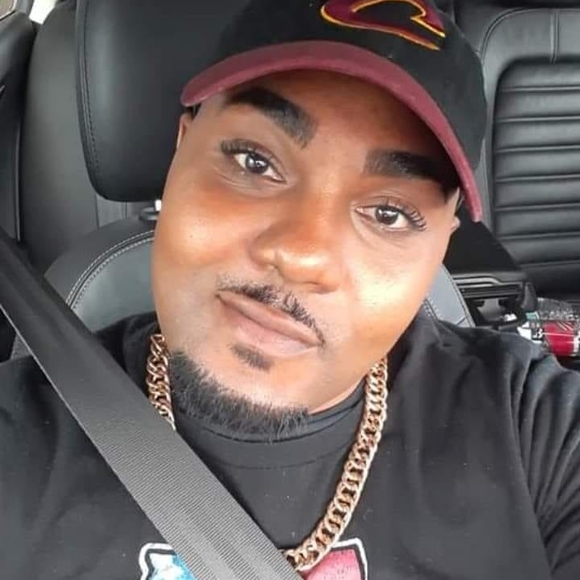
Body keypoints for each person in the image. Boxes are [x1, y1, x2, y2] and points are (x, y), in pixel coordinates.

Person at [2, 0, 580, 578]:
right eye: (254, 162)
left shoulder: (534, 428)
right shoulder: (18, 440)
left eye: (388, 213)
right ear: (182, 147)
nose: (303, 254)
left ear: (442, 245)